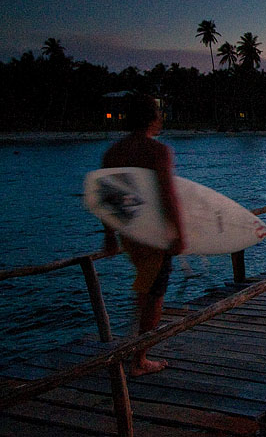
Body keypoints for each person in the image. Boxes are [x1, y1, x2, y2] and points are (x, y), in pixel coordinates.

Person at [101, 94, 184, 376]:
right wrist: (179, 233)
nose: (161, 119)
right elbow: (168, 196)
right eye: (159, 114)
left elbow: (108, 198)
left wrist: (109, 235)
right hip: (154, 235)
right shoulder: (158, 151)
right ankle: (140, 359)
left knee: (146, 288)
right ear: (152, 118)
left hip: (130, 235)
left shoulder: (113, 153)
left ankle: (135, 346)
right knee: (155, 295)